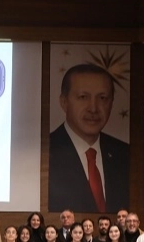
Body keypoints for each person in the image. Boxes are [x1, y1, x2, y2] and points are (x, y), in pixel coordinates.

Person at [48, 64, 129, 213]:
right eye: (83, 97)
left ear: (111, 103)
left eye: (102, 98)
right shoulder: (46, 153)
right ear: (64, 102)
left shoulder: (126, 155)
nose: (93, 108)